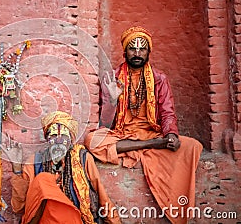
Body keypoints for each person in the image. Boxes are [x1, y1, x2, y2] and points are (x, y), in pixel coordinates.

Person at [84, 26, 203, 224]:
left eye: (142, 49)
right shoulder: (113, 78)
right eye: (132, 48)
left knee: (192, 146)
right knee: (92, 140)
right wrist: (112, 101)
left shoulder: (159, 79)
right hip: (123, 135)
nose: (137, 53)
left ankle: (150, 144)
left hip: (150, 133)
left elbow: (167, 113)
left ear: (149, 51)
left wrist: (171, 135)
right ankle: (151, 146)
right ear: (125, 51)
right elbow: (104, 124)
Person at [3, 111, 121, 224]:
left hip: (75, 220)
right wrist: (17, 167)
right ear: (47, 140)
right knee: (43, 180)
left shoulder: (82, 158)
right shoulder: (35, 162)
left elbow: (101, 195)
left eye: (63, 136)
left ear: (70, 141)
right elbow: (18, 207)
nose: (58, 141)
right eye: (53, 135)